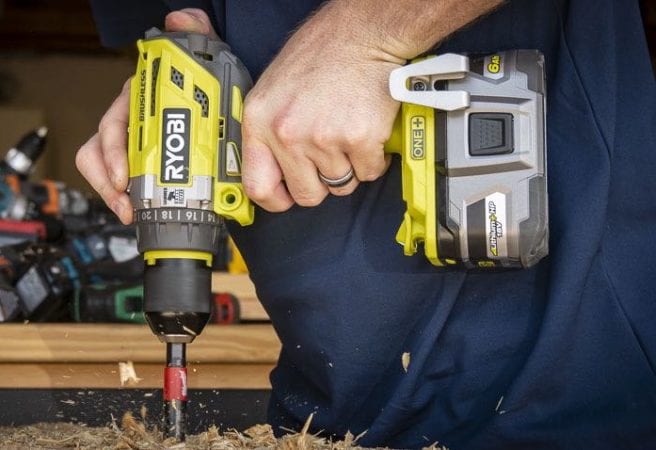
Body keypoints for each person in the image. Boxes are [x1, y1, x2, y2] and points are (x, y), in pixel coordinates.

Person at [78, 1, 656, 448]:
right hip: (327, 402)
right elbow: (186, 21)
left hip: (548, 375)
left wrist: (369, 35)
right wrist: (166, 90)